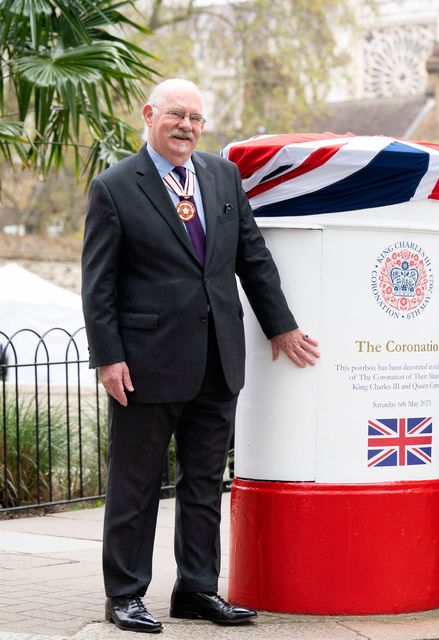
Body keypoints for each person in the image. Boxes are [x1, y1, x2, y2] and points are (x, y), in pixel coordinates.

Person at [81, 78, 320, 633]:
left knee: (204, 485)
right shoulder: (114, 187)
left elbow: (252, 258)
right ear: (149, 115)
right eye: (176, 115)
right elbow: (98, 285)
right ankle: (124, 596)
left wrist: (281, 327)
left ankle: (196, 590)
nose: (187, 126)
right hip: (144, 365)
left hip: (218, 361)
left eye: (196, 117)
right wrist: (107, 357)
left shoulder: (222, 176)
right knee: (134, 488)